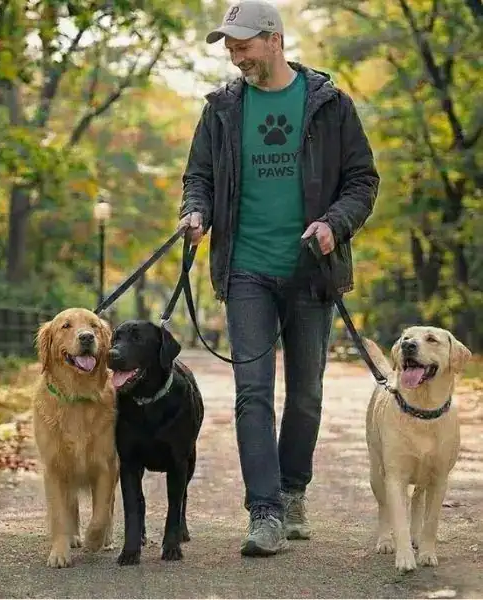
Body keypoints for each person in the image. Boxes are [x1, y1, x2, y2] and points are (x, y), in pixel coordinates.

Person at [178, 0, 379, 557]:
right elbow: (199, 175)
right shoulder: (220, 108)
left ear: (275, 39)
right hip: (246, 269)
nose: (235, 55)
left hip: (311, 270)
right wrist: (196, 211)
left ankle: (293, 491)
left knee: (308, 395)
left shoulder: (330, 105)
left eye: (243, 44)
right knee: (252, 393)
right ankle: (263, 512)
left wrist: (335, 225)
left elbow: (362, 181)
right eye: (230, 46)